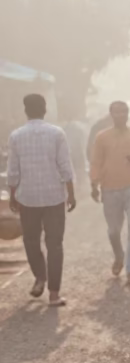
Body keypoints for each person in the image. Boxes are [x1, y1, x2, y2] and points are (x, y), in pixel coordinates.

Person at [6, 94, 76, 306]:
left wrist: (12, 195)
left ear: (25, 111)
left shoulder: (16, 136)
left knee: (30, 241)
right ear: (45, 110)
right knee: (55, 244)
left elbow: (13, 170)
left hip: (27, 198)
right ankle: (54, 294)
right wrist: (71, 193)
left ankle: (40, 277)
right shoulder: (56, 133)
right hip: (54, 197)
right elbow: (65, 165)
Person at [90, 100, 130, 286]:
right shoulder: (102, 137)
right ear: (111, 115)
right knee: (113, 230)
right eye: (116, 113)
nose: (120, 116)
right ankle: (119, 255)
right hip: (109, 188)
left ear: (127, 115)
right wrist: (94, 184)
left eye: (123, 112)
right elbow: (96, 162)